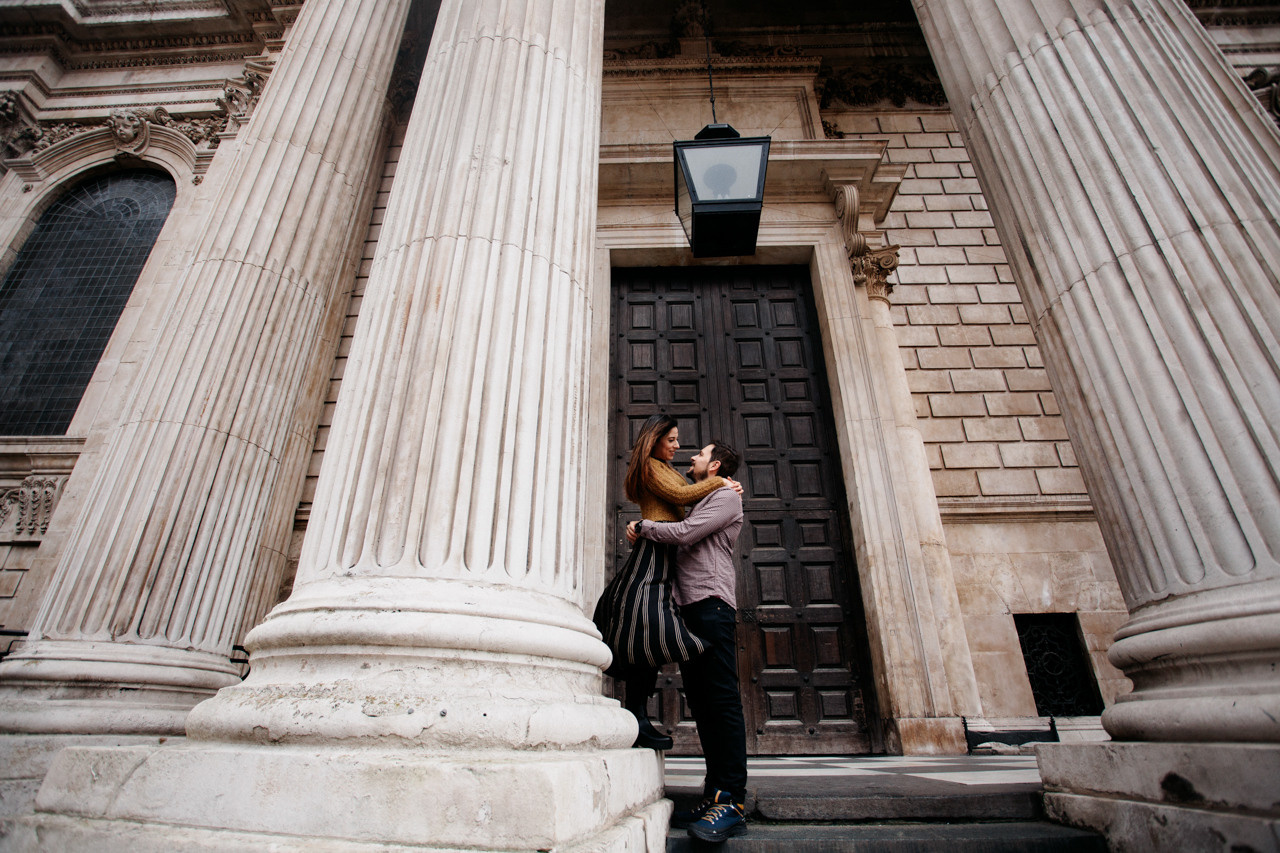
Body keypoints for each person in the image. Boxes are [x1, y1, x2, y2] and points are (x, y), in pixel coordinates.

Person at [593, 414, 739, 750]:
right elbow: (683, 496)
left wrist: (726, 485)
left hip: (662, 551)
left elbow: (696, 499)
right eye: (671, 439)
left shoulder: (668, 469)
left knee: (650, 631)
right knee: (646, 629)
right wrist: (722, 483)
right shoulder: (649, 466)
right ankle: (637, 716)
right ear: (655, 438)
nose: (677, 446)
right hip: (652, 555)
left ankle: (639, 716)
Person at [626, 439, 747, 844]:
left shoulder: (726, 497)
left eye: (699, 454)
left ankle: (732, 801)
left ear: (713, 467)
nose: (690, 456)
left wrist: (644, 527)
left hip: (711, 604)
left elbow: (685, 533)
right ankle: (714, 794)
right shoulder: (708, 497)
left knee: (722, 700)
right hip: (691, 607)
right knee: (705, 704)